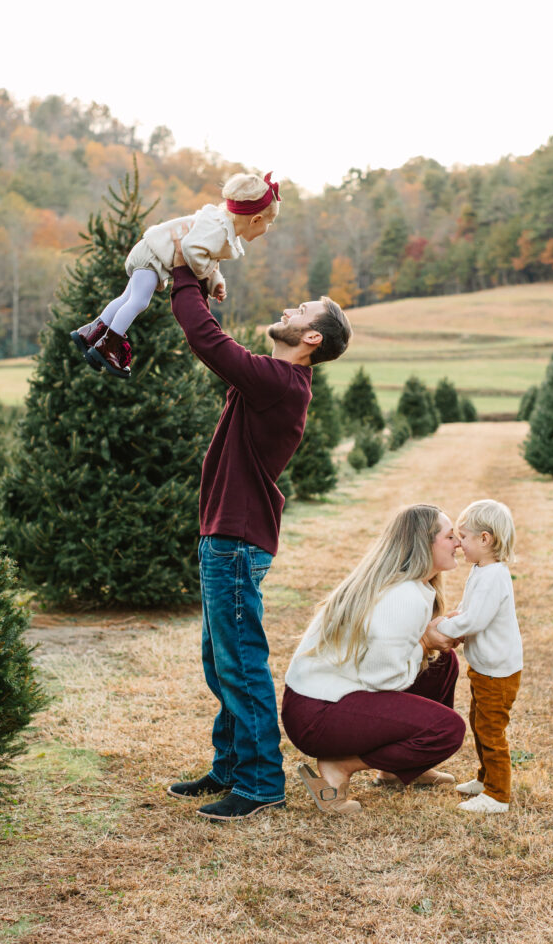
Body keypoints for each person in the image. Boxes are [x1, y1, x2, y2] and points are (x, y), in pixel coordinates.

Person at [166, 248, 352, 822]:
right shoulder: (274, 381)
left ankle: (260, 783)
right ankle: (229, 764)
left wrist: (182, 275)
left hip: (236, 544)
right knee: (220, 660)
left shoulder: (282, 382)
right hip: (226, 537)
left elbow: (209, 342)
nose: (290, 308)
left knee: (241, 660)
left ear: (312, 338)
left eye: (302, 309)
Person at [282, 504, 466, 816]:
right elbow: (384, 680)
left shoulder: (414, 587)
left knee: (442, 664)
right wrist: (424, 642)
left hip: (328, 699)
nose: (459, 543)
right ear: (425, 544)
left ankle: (398, 769)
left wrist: (431, 642)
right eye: (450, 536)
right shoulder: (401, 596)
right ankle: (340, 765)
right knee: (447, 730)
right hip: (317, 715)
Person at [70, 172, 280, 379]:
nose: (268, 228)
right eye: (269, 223)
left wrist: (214, 282)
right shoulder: (217, 230)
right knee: (139, 301)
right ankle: (108, 345)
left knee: (126, 298)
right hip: (153, 255)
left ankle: (91, 332)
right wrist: (205, 275)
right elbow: (190, 250)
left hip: (150, 251)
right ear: (256, 219)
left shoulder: (220, 224)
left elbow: (206, 259)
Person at [434, 498, 522, 815]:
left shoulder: (494, 576)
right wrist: (458, 618)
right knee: (478, 722)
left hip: (496, 674)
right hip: (485, 668)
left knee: (490, 730)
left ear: (486, 539)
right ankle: (486, 780)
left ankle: (498, 795)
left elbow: (476, 620)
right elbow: (470, 611)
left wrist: (444, 626)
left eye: (465, 537)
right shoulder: (482, 570)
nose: (459, 543)